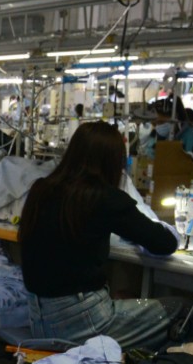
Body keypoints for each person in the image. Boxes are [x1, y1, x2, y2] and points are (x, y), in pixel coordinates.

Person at [16, 120, 184, 351]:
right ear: (113, 162)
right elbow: (163, 243)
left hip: (38, 318)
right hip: (83, 322)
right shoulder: (105, 198)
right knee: (183, 313)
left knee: (123, 295)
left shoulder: (41, 189)